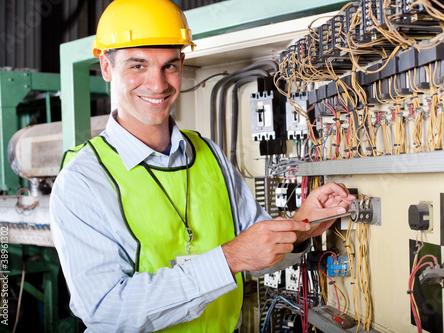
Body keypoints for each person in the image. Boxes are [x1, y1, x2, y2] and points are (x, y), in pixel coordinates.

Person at [49, 0, 355, 332]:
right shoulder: (82, 182)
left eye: (169, 66)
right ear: (106, 67)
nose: (157, 84)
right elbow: (106, 309)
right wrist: (229, 259)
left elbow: (256, 254)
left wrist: (301, 226)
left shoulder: (209, 154)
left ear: (181, 63)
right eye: (137, 66)